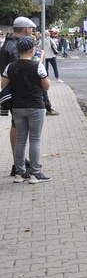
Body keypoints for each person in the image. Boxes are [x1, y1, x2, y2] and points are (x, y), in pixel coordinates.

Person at [2, 36, 52, 183]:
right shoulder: (38, 66)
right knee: (35, 140)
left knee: (20, 141)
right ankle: (35, 174)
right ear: (32, 49)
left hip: (17, 107)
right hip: (35, 106)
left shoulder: (10, 67)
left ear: (18, 50)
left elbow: (3, 85)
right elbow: (46, 86)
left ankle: (19, 173)